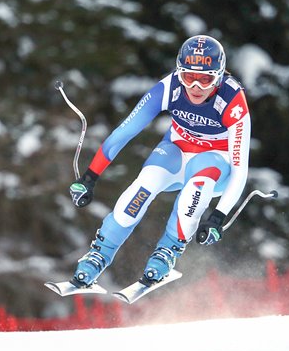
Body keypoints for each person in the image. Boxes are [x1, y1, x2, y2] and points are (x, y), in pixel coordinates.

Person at [68, 35, 251, 287]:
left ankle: (167, 252)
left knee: (196, 186)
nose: (196, 87)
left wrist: (218, 217)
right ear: (180, 73)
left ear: (219, 76)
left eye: (206, 79)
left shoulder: (233, 100)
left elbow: (240, 169)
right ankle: (99, 253)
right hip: (176, 151)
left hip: (215, 162)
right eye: (189, 77)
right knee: (145, 183)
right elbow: (125, 131)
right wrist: (90, 176)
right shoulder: (170, 86)